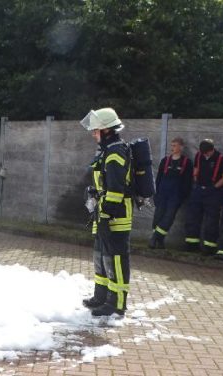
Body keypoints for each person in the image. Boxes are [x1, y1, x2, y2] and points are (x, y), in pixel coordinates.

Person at [80, 107, 132, 318]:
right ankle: (101, 296)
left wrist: (107, 215)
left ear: (107, 130)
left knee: (117, 259)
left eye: (96, 131)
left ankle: (117, 303)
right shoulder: (107, 150)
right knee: (101, 256)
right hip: (104, 213)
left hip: (115, 216)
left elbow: (116, 190)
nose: (93, 134)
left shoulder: (116, 152)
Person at [184, 139, 223, 254]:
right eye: (203, 153)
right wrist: (196, 182)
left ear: (212, 150)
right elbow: (196, 170)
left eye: (207, 153)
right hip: (199, 189)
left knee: (211, 220)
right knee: (193, 217)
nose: (205, 155)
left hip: (214, 192)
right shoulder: (199, 156)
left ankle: (209, 247)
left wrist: (214, 187)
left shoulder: (220, 159)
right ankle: (192, 244)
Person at [149, 137, 193, 249]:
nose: (172, 148)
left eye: (175, 145)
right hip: (162, 193)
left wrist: (183, 196)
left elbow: (188, 181)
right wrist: (155, 193)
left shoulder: (187, 162)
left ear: (181, 147)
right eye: (171, 145)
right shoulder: (165, 161)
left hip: (176, 195)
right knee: (158, 216)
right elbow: (158, 178)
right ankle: (159, 240)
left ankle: (155, 237)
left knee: (169, 217)